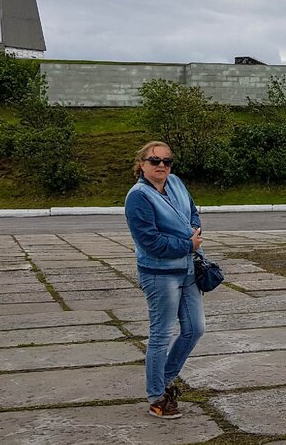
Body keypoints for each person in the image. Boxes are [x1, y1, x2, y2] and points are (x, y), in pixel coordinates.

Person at [124, 140, 205, 420]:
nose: (161, 166)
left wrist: (195, 228)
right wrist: (187, 244)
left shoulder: (177, 184)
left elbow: (193, 211)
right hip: (160, 275)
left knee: (195, 328)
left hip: (188, 270)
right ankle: (157, 397)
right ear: (142, 164)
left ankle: (164, 378)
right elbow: (149, 241)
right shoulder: (138, 197)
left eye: (167, 161)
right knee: (160, 335)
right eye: (155, 161)